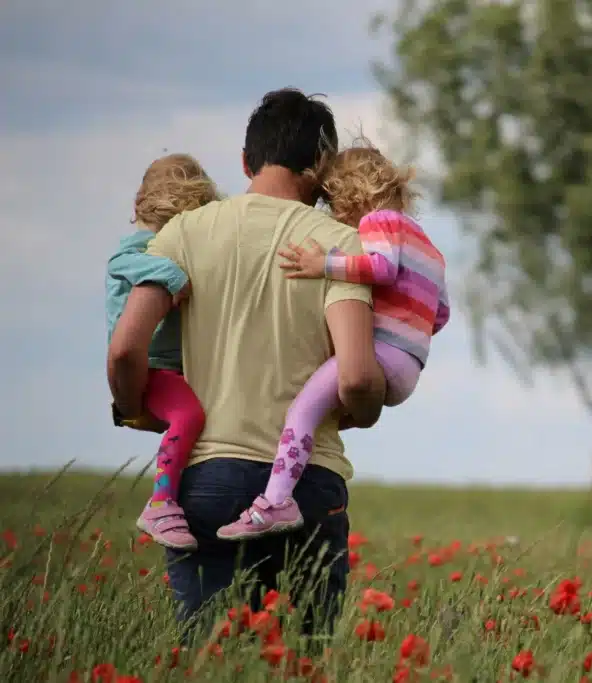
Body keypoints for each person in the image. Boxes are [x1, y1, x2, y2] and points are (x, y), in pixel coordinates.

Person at [107, 88, 386, 639]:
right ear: (322, 168)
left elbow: (123, 348)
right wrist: (368, 406)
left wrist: (133, 405)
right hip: (308, 483)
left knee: (209, 659)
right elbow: (355, 376)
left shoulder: (181, 233)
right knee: (303, 660)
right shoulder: (339, 244)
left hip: (206, 479)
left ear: (245, 161)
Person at [217, 144, 450, 540]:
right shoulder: (429, 247)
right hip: (410, 365)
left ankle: (275, 502)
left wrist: (321, 264)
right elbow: (440, 314)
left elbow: (380, 268)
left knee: (302, 410)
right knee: (324, 411)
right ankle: (293, 478)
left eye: (333, 203)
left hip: (382, 354)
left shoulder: (379, 221)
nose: (335, 215)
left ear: (351, 194)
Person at [106, 154, 217, 551]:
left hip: (172, 368)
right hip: (152, 368)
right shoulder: (138, 249)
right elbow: (123, 263)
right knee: (189, 415)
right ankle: (161, 502)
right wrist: (173, 275)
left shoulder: (161, 244)